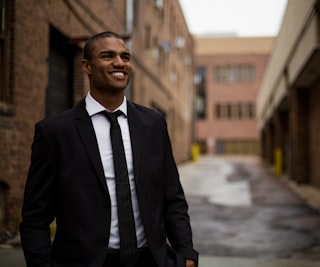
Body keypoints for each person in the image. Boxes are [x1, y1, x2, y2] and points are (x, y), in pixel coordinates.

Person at [20, 31, 198, 267]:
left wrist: (186, 253)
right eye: (108, 56)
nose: (120, 63)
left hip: (150, 260)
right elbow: (35, 215)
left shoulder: (153, 124)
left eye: (125, 57)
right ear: (87, 66)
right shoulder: (55, 132)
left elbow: (172, 197)